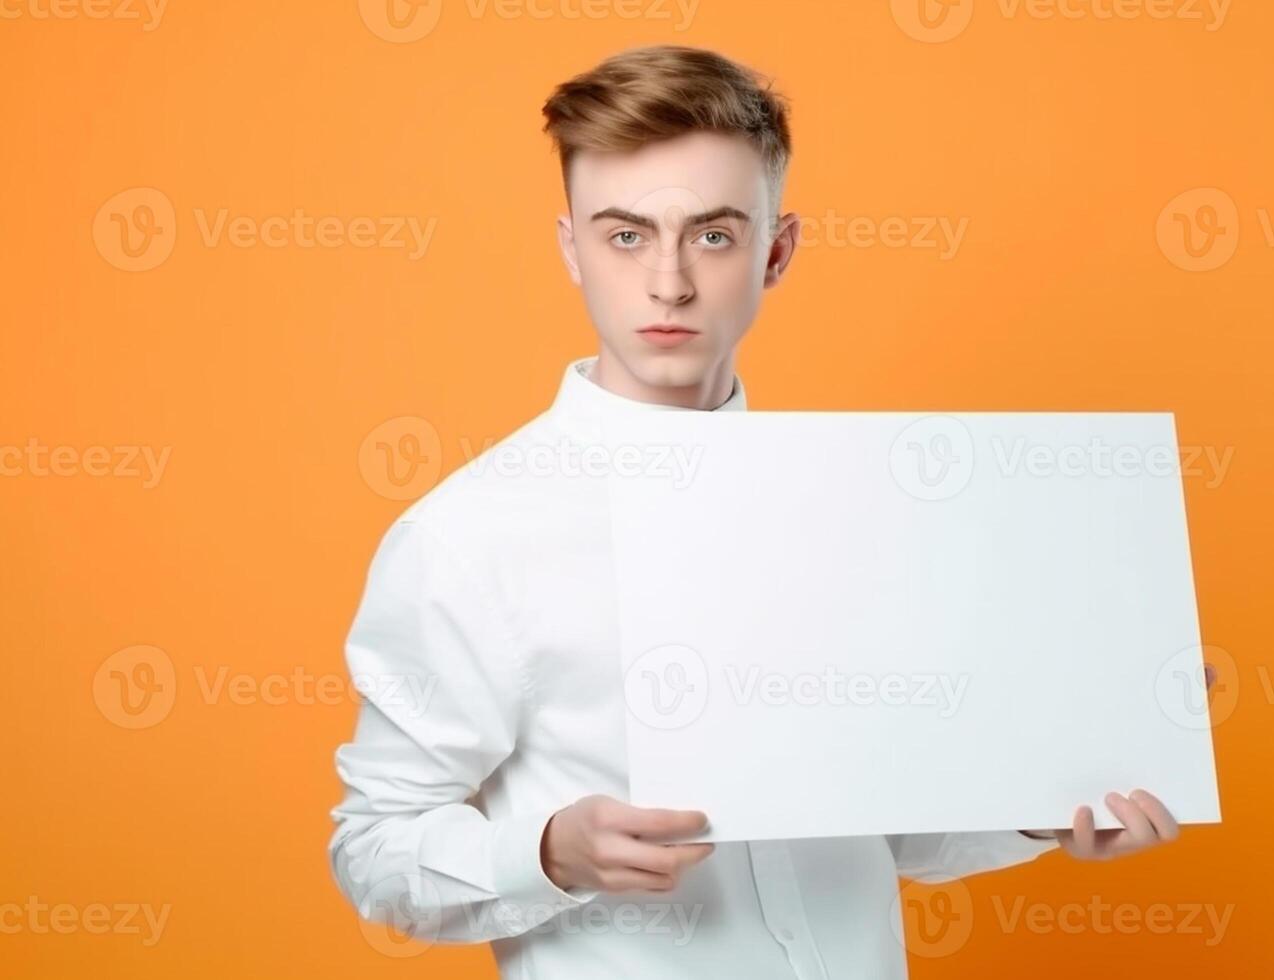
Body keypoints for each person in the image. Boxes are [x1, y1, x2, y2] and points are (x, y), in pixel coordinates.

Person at [328, 43, 1196, 979]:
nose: (668, 282)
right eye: (625, 236)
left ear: (775, 251)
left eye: (712, 234)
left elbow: (884, 826)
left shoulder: (867, 512)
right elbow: (372, 850)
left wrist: (1045, 804)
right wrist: (542, 852)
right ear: (571, 249)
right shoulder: (469, 538)